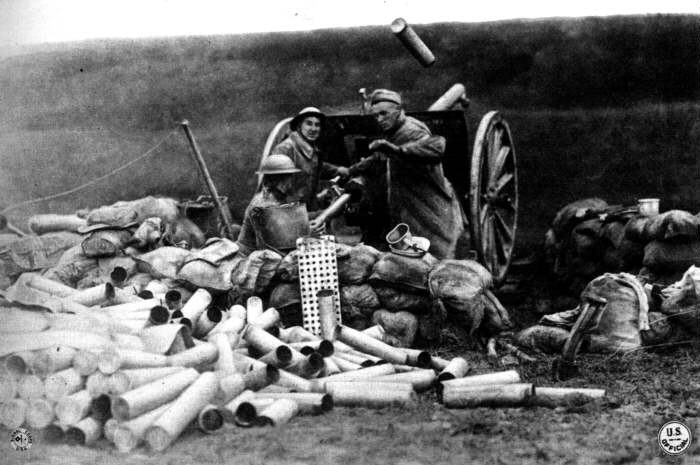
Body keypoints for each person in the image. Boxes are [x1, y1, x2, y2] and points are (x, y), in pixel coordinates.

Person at [348, 89, 465, 259]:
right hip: (408, 202)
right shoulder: (394, 131)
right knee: (413, 253)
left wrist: (395, 150)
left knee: (437, 251)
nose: (379, 119)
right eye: (376, 116)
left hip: (428, 200)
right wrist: (352, 170)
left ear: (398, 110)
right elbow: (379, 157)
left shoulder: (412, 130)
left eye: (384, 114)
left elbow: (436, 148)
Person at [273, 106, 349, 210]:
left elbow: (315, 165)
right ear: (299, 126)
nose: (313, 129)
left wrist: (338, 170)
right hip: (289, 212)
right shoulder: (285, 150)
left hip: (305, 208)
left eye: (317, 125)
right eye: (309, 123)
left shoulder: (311, 150)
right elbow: (274, 190)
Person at [236, 154, 307, 256]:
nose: (291, 180)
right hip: (250, 257)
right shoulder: (263, 205)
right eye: (288, 176)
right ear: (279, 180)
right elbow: (268, 246)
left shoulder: (277, 197)